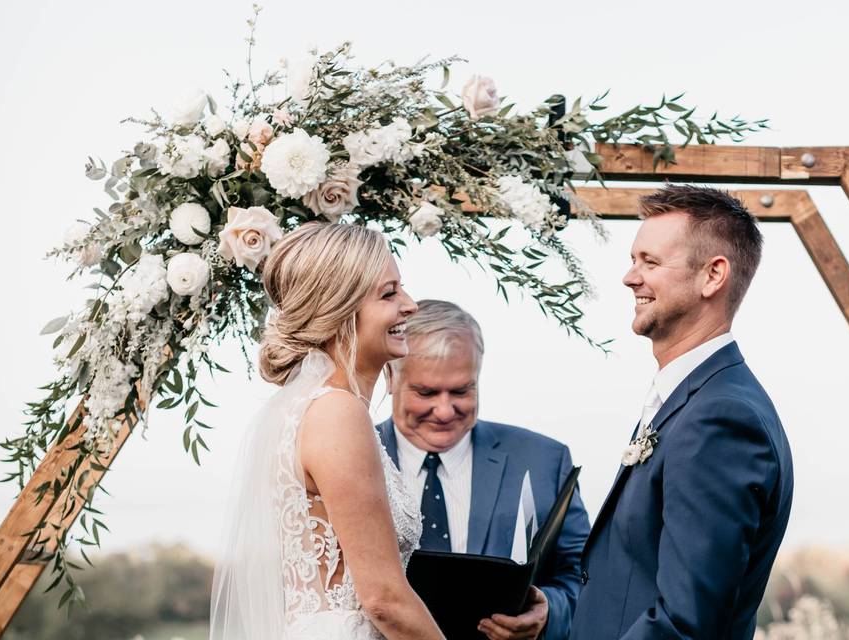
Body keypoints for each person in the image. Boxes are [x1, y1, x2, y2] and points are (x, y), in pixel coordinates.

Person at [569, 185, 794, 639]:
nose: (630, 278)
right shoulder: (693, 400)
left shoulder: (722, 418)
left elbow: (685, 622)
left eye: (649, 262)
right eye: (634, 260)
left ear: (713, 276)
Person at [209, 222, 445, 640]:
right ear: (339, 310)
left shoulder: (312, 409)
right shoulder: (337, 414)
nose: (409, 305)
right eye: (389, 294)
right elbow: (384, 600)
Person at [378, 299, 590, 640]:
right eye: (426, 392)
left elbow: (586, 578)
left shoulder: (544, 462)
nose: (445, 411)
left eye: (462, 390)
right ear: (390, 375)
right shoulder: (351, 457)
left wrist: (548, 612)